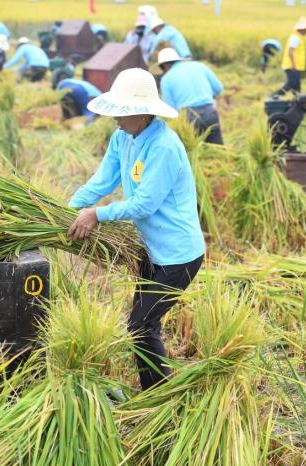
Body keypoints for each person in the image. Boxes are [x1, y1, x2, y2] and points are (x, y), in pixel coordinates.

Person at [67, 68, 204, 390]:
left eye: (123, 111)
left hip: (177, 255)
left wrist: (97, 216)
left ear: (143, 112)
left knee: (142, 324)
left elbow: (144, 205)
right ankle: (154, 389)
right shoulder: (122, 137)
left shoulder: (164, 147)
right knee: (142, 325)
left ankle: (158, 394)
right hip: (150, 249)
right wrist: (66, 210)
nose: (116, 117)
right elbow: (103, 181)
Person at [158, 48, 224, 145]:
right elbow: (218, 88)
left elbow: (171, 109)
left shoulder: (166, 79)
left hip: (189, 118)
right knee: (217, 149)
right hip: (210, 111)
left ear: (165, 65)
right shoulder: (200, 66)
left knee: (194, 151)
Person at [274, 16, 306, 97]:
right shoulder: (295, 38)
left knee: (296, 84)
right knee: (292, 83)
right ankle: (275, 95)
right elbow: (290, 52)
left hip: (296, 66)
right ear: (302, 29)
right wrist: (293, 64)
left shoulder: (298, 37)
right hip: (292, 65)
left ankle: (297, 99)